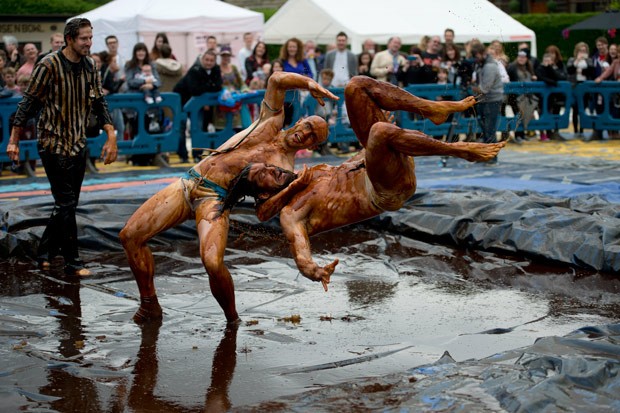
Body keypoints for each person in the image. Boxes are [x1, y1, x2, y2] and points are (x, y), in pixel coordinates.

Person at [119, 71, 338, 325]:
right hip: (190, 181)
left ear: (311, 147)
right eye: (308, 126)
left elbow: (263, 213)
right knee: (130, 236)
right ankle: (149, 304)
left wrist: (292, 188)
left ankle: (232, 318)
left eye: (313, 137)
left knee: (212, 262)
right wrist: (308, 83)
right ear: (299, 121)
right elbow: (276, 80)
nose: (306, 134)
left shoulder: (286, 171)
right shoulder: (270, 122)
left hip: (215, 199)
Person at [247, 76, 504, 288]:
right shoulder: (292, 213)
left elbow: (348, 169)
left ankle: (430, 109)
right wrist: (315, 271)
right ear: (262, 191)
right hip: (383, 192)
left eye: (269, 167)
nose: (273, 170)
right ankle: (459, 150)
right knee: (379, 132)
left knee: (356, 87)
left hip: (377, 166)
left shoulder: (312, 171)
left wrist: (374, 144)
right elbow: (300, 251)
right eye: (265, 175)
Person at [6, 18, 118, 276]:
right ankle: (72, 261)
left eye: (91, 38)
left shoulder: (90, 65)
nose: (89, 43)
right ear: (70, 39)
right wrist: (14, 139)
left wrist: (110, 134)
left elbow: (100, 102)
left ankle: (44, 252)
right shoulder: (48, 65)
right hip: (52, 142)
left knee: (67, 204)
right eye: (84, 39)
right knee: (66, 203)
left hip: (77, 142)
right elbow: (29, 102)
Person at [173, 49, 222, 163]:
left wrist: (206, 87)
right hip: (182, 101)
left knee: (198, 127)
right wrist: (210, 85)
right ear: (202, 59)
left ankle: (197, 154)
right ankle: (183, 155)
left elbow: (218, 86)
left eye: (211, 60)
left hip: (198, 103)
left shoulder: (216, 69)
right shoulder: (194, 70)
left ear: (215, 62)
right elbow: (194, 89)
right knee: (182, 127)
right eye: (206, 60)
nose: (209, 62)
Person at [470, 42, 504, 154]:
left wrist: (471, 87)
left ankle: (492, 156)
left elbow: (485, 89)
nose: (475, 59)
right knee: (485, 129)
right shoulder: (483, 64)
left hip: (492, 100)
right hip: (486, 100)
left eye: (476, 56)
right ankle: (487, 154)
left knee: (489, 129)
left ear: (482, 53)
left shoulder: (489, 66)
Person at [535, 47, 568, 141]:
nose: (548, 62)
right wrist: (553, 82)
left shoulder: (551, 68)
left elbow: (556, 77)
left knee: (549, 112)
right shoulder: (539, 68)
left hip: (550, 96)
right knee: (541, 113)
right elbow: (542, 78)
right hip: (541, 96)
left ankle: (549, 132)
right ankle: (542, 133)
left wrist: (549, 68)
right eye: (546, 60)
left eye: (549, 60)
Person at [507, 50, 537, 143]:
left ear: (526, 58)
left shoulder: (529, 67)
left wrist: (533, 78)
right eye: (519, 57)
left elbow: (531, 78)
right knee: (518, 115)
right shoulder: (512, 67)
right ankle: (518, 135)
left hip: (527, 96)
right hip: (515, 96)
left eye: (523, 57)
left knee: (526, 114)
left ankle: (522, 134)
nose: (521, 59)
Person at [566, 42, 595, 138]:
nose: (582, 52)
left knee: (583, 108)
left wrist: (581, 70)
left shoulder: (589, 60)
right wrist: (577, 61)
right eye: (580, 50)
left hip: (585, 86)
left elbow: (591, 71)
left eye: (584, 51)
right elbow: (570, 70)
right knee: (575, 109)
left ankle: (582, 129)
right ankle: (575, 130)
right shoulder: (572, 60)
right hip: (574, 86)